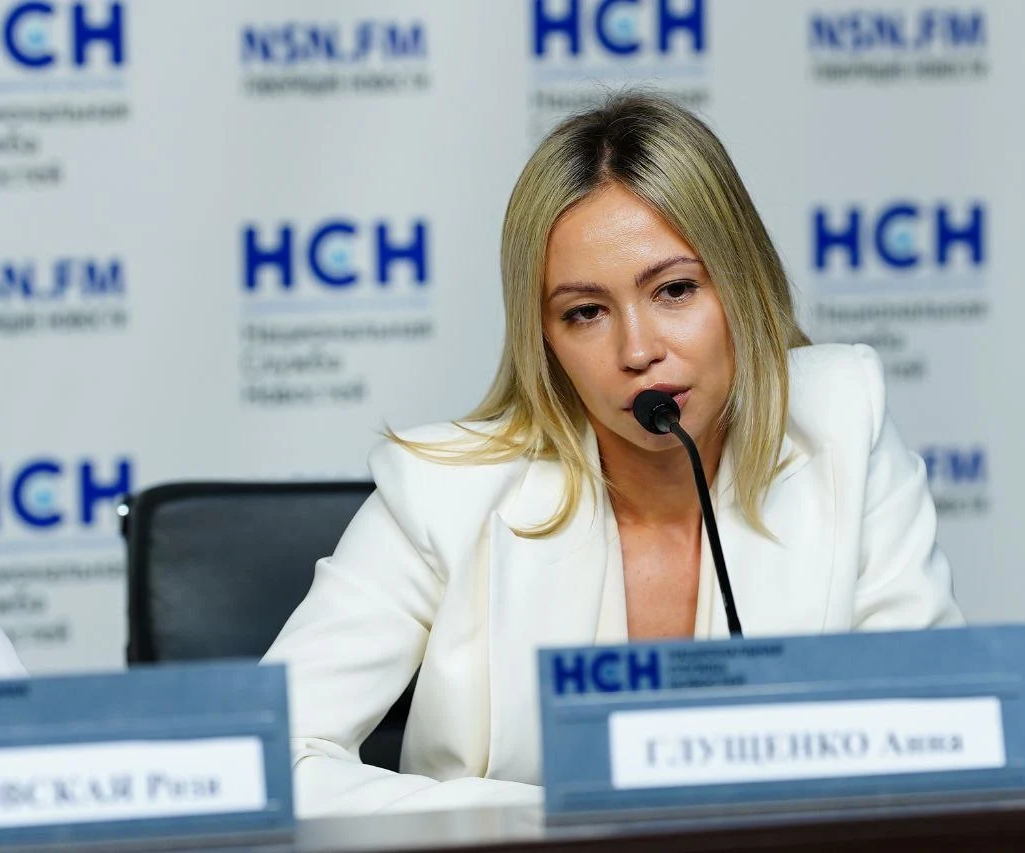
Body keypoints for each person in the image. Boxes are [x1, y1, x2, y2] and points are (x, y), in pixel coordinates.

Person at [262, 92, 964, 817]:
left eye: (675, 289)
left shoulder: (844, 419)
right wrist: (557, 820)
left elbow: (938, 730)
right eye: (586, 312)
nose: (637, 350)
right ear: (545, 340)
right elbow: (270, 755)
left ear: (744, 286)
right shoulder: (444, 492)